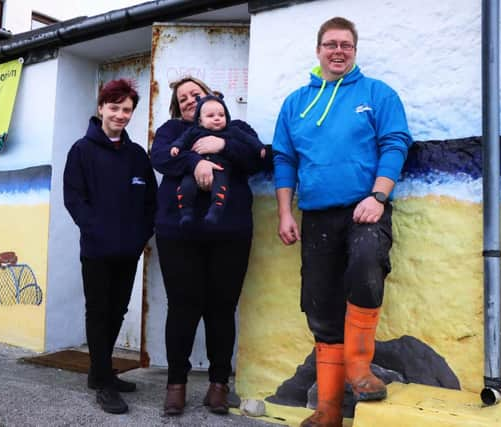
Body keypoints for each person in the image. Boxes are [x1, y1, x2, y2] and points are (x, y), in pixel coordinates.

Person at [272, 17, 412, 427]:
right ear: (318, 50)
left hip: (365, 207)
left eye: (346, 45)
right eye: (331, 44)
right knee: (318, 301)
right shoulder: (296, 102)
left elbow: (396, 142)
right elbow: (284, 158)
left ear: (355, 50)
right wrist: (285, 211)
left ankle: (359, 367)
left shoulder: (377, 94)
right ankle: (329, 408)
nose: (338, 51)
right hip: (315, 214)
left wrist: (378, 195)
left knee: (367, 267)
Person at [151, 76, 264, 416]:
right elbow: (160, 158)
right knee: (182, 307)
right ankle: (176, 385)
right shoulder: (172, 131)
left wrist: (222, 146)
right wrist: (195, 162)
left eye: (194, 94)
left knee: (221, 307)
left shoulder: (237, 127)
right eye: (182, 97)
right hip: (178, 233)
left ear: (211, 97)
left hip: (230, 233)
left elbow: (258, 159)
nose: (188, 100)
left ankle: (218, 385)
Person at [63, 79, 157, 415]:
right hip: (97, 250)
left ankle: (98, 373)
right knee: (99, 312)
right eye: (114, 107)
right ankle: (103, 382)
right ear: (101, 108)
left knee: (117, 311)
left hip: (127, 250)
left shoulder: (136, 156)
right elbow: (74, 199)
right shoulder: (81, 151)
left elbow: (150, 201)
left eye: (126, 109)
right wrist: (97, 231)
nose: (120, 114)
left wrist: (139, 236)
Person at [169, 93, 266, 227]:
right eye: (210, 116)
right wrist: (176, 147)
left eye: (221, 115)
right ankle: (186, 213)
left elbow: (249, 140)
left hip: (220, 168)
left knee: (220, 188)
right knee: (186, 187)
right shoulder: (193, 131)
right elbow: (182, 140)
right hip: (193, 172)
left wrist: (260, 148)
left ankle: (215, 212)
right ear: (200, 120)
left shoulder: (233, 130)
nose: (217, 119)